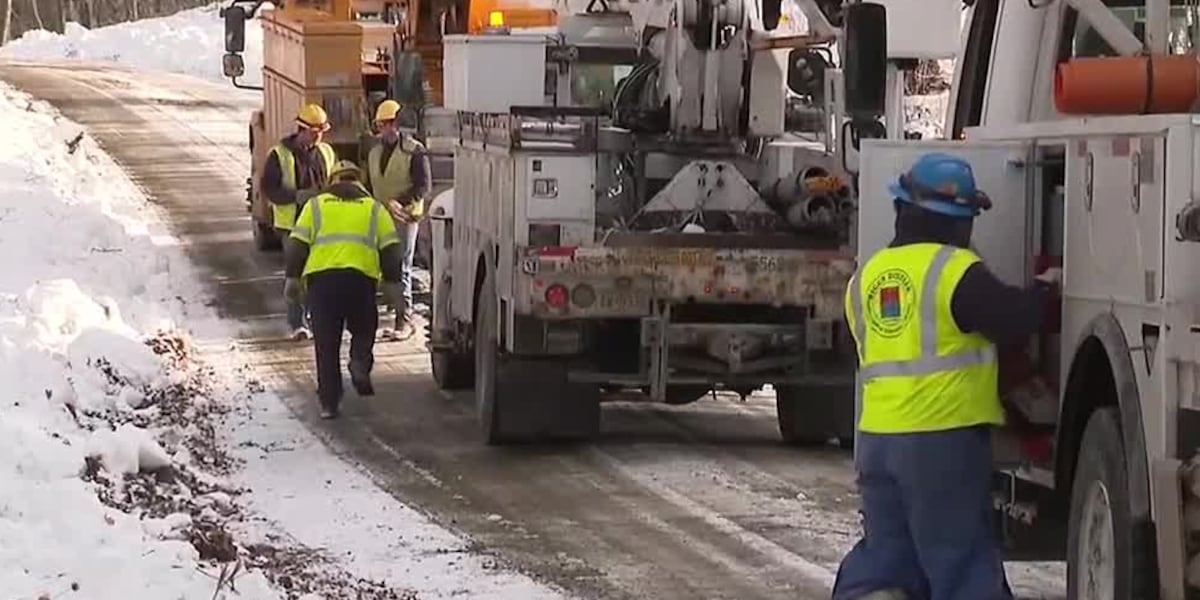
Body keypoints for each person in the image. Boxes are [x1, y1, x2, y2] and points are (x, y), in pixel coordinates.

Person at [832, 153, 1063, 600]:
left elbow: (851, 349)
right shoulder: (955, 271)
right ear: (962, 222)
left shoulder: (867, 277)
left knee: (888, 559)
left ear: (902, 209)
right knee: (961, 562)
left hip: (877, 442)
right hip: (939, 443)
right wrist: (1047, 289)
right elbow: (1015, 318)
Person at [284, 160, 405, 419]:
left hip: (321, 284)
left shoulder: (315, 206)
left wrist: (292, 278)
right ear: (359, 182)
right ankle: (360, 360)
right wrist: (393, 284)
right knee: (364, 328)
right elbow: (392, 249)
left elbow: (296, 245)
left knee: (326, 345)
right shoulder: (374, 209)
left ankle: (329, 403)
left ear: (333, 181)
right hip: (360, 281)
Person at [262, 103, 338, 341]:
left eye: (321, 132)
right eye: (314, 132)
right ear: (301, 129)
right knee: (296, 274)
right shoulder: (279, 154)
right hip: (292, 226)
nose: (318, 137)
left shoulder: (326, 152)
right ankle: (297, 323)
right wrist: (296, 196)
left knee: (318, 275)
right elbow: (269, 189)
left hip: (321, 224)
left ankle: (318, 320)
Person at [362, 99, 432, 341]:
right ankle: (395, 314)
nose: (385, 129)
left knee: (401, 266)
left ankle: (404, 320)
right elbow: (369, 184)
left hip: (404, 217)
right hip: (379, 217)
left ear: (397, 124)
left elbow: (423, 186)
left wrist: (401, 201)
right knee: (384, 268)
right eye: (381, 125)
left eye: (388, 124)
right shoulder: (374, 153)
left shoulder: (415, 150)